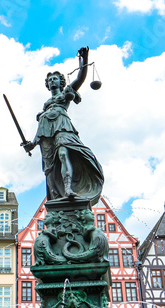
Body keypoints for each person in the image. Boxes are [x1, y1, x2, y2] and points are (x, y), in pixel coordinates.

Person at [23, 46, 104, 205]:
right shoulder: (45, 106)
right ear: (47, 84)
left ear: (61, 82)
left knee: (63, 153)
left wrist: (84, 61)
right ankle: (56, 200)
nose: (52, 81)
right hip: (45, 134)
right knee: (50, 169)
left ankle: (68, 189)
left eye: (55, 78)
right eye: (50, 80)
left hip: (62, 127)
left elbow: (80, 78)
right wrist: (31, 144)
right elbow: (41, 129)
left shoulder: (66, 93)